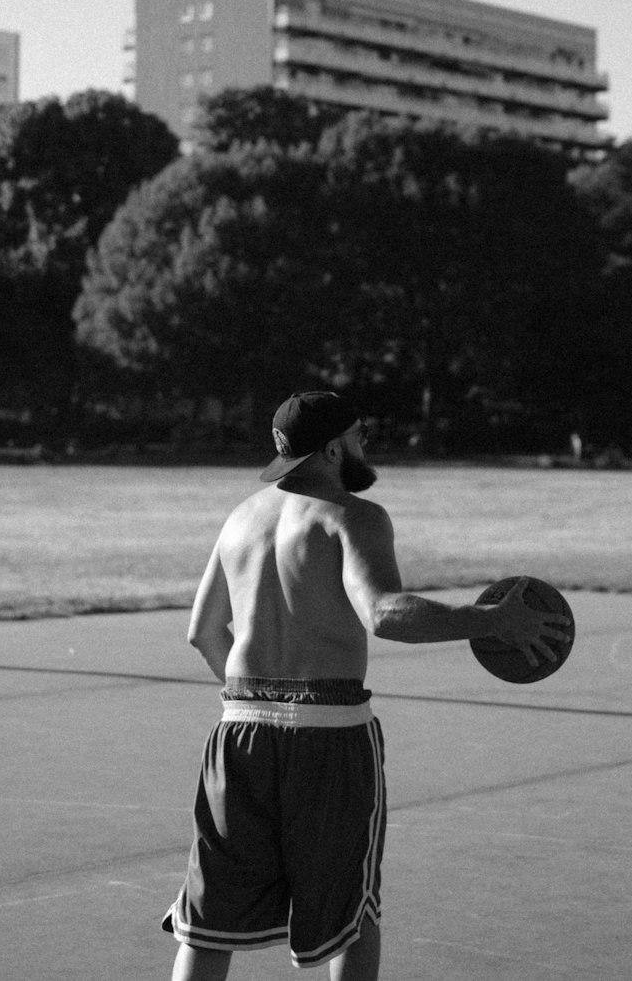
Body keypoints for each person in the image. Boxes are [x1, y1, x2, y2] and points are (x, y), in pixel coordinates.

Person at [163, 391, 571, 979]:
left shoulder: (242, 518)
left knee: (209, 921)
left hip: (239, 735)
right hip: (326, 738)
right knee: (350, 915)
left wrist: (257, 700)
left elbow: (202, 633)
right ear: (332, 450)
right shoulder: (353, 516)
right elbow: (381, 613)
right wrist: (491, 620)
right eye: (358, 436)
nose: (365, 445)